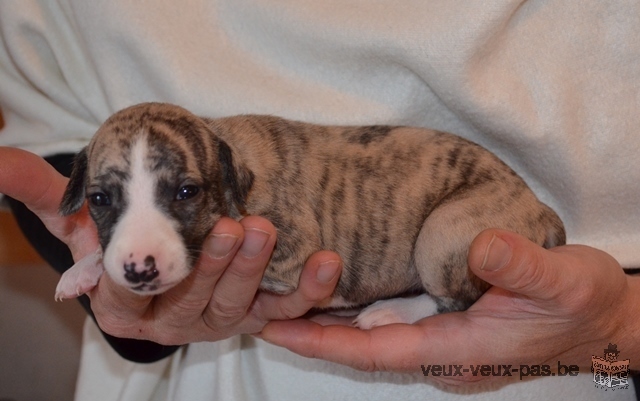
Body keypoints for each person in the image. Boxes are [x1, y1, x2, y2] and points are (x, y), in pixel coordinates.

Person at [1, 1, 639, 400]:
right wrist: (115, 294)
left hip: (580, 355)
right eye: (105, 201)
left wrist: (622, 336)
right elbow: (54, 135)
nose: (136, 256)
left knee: (454, 255)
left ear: (225, 177)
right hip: (203, 377)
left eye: (188, 192)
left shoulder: (253, 175)